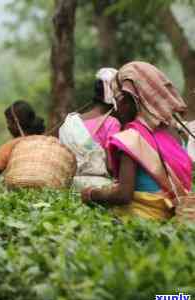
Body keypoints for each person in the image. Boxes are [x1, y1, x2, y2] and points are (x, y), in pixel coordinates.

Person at [81, 61, 192, 221]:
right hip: (174, 217)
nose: (116, 107)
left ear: (129, 99)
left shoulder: (131, 138)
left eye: (118, 99)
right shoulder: (175, 134)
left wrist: (92, 193)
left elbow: (123, 195)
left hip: (139, 220)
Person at [58, 68, 121, 190]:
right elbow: (111, 166)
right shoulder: (112, 123)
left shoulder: (70, 122)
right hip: (98, 189)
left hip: (69, 188)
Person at [0, 100, 45, 180]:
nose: (8, 127)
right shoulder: (47, 142)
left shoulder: (11, 146)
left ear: (16, 123)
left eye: (8, 122)